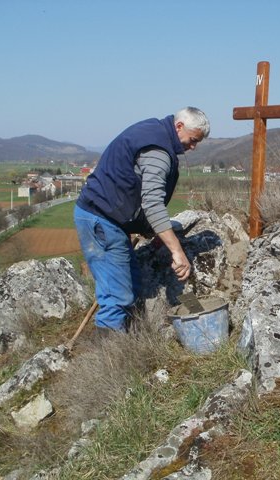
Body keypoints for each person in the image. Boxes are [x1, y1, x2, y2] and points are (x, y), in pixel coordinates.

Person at [74, 107, 210, 333]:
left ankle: (132, 343)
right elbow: (152, 204)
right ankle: (106, 360)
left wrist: (145, 227)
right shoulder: (158, 151)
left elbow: (132, 188)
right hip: (101, 220)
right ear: (179, 127)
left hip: (111, 219)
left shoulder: (154, 131)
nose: (193, 146)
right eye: (193, 139)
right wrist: (177, 251)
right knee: (117, 295)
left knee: (134, 285)